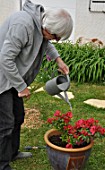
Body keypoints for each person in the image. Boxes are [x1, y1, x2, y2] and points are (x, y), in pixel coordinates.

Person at [0, 0, 73, 169]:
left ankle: (12, 153)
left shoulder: (41, 25)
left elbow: (46, 42)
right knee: (5, 124)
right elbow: (5, 58)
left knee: (18, 117)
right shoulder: (23, 25)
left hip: (13, 76)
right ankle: (2, 165)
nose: (55, 40)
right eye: (56, 36)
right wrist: (21, 86)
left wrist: (58, 60)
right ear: (48, 28)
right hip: (2, 77)